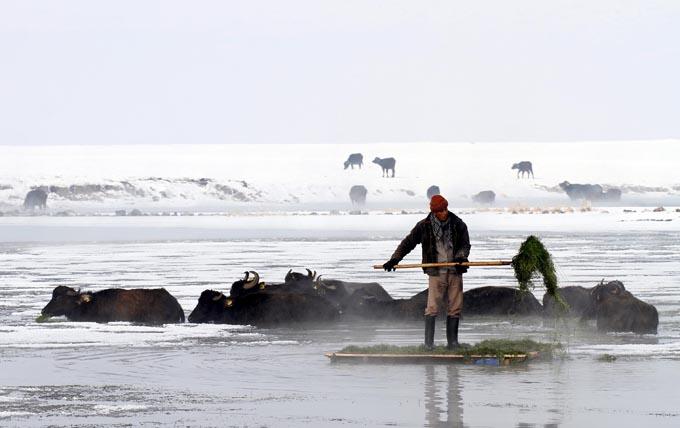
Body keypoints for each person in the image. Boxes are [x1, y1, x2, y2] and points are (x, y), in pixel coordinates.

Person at [382, 195, 470, 350]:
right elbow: (407, 243)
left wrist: (462, 256)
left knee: (455, 306)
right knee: (432, 307)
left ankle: (453, 344)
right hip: (435, 271)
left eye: (445, 209)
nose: (444, 212)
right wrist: (395, 259)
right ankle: (429, 345)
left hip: (456, 269)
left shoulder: (458, 224)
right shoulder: (424, 226)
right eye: (441, 210)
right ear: (434, 212)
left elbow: (465, 244)